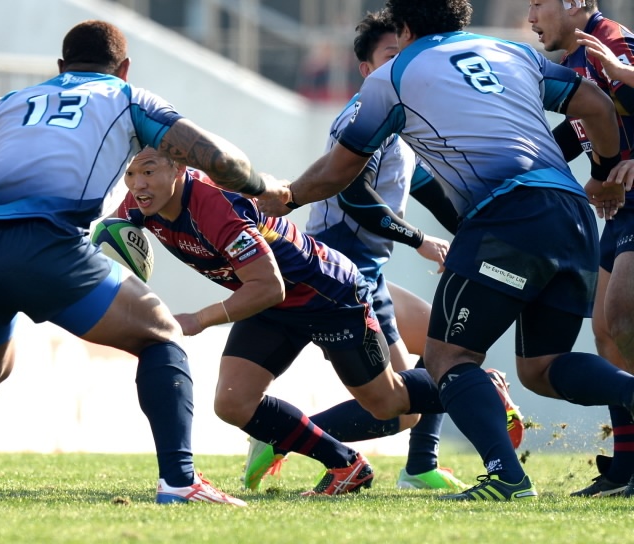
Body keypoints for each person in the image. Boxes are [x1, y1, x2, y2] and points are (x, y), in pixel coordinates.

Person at [256, 0, 634, 501]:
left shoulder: (393, 77)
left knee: (446, 359)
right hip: (572, 214)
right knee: (542, 368)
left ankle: (507, 478)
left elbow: (339, 172)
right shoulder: (509, 51)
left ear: (405, 26)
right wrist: (604, 174)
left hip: (507, 214)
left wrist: (286, 197)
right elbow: (598, 105)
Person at [0, 19, 281, 506]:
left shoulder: (11, 103)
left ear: (61, 66)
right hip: (49, 244)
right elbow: (222, 162)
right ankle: (180, 481)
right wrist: (262, 188)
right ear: (124, 68)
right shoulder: (127, 98)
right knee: (161, 334)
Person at [242, 10, 524, 494]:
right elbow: (355, 196)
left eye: (406, 52)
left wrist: (481, 234)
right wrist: (421, 241)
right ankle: (285, 435)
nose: (404, 63)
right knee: (400, 404)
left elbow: (428, 189)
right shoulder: (364, 115)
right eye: (391, 55)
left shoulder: (400, 120)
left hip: (364, 268)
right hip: (341, 268)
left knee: (438, 348)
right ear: (367, 69)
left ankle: (419, 466)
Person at [112, 146, 466, 496]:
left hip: (328, 295)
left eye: (148, 171)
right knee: (234, 403)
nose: (138, 183)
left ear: (178, 169)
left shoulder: (214, 206)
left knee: (389, 404)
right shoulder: (138, 203)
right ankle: (346, 465)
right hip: (273, 303)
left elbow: (269, 286)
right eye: (130, 174)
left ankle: (476, 386)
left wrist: (198, 319)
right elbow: (104, 236)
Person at [528, 0, 634, 497]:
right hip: (621, 206)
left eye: (538, 3)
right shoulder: (574, 62)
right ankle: (625, 467)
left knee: (623, 319)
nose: (531, 17)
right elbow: (575, 136)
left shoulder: (609, 40)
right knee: (607, 334)